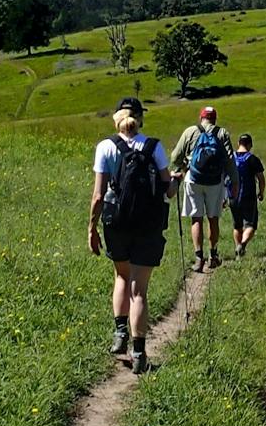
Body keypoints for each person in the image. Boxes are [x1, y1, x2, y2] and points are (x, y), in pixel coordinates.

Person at [89, 96, 175, 375]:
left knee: (121, 277)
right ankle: (139, 353)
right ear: (140, 119)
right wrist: (177, 179)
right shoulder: (154, 146)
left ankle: (120, 334)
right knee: (140, 291)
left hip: (116, 222)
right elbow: (167, 191)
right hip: (148, 224)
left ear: (116, 119)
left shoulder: (105, 147)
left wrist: (91, 228)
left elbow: (99, 195)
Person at [170, 105, 238, 271]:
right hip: (215, 182)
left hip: (193, 179)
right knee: (213, 218)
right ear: (215, 119)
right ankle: (213, 255)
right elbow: (230, 161)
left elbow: (174, 157)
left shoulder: (190, 131)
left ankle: (198, 258)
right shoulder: (222, 133)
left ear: (201, 118)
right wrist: (234, 183)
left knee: (196, 218)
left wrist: (184, 166)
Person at [229, 133, 265, 259]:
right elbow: (261, 178)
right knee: (250, 225)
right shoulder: (252, 159)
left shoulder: (231, 158)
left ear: (238, 143)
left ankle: (238, 250)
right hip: (248, 196)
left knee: (237, 225)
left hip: (232, 196)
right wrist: (261, 192)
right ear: (250, 145)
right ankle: (242, 245)